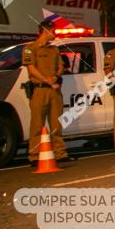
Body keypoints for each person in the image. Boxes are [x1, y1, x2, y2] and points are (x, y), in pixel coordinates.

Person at [22, 20, 75, 164]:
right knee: (37, 125)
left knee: (56, 125)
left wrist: (55, 77)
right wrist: (48, 81)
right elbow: (31, 69)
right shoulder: (30, 48)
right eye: (53, 31)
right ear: (46, 31)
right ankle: (34, 156)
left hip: (54, 91)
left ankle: (60, 153)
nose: (54, 34)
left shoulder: (54, 49)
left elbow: (61, 67)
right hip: (39, 90)